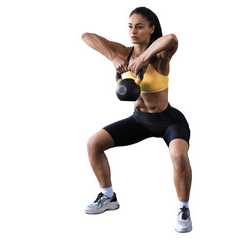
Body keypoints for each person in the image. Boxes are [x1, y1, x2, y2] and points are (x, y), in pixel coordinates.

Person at [81, 7, 193, 233]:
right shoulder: (123, 52)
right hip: (140, 121)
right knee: (94, 144)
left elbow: (171, 39)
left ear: (151, 29)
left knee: (179, 156)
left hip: (169, 121)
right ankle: (108, 196)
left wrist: (143, 58)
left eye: (140, 27)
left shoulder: (160, 57)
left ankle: (184, 209)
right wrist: (113, 57)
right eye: (130, 26)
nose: (133, 31)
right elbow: (86, 37)